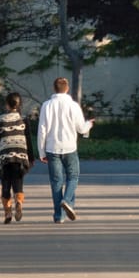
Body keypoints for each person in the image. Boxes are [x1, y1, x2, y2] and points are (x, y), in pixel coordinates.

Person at [37, 77, 94, 222]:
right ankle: (67, 201)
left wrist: (41, 151)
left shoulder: (46, 105)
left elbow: (42, 130)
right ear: (67, 88)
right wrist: (89, 124)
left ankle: (59, 216)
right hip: (69, 147)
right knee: (73, 177)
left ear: (54, 88)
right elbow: (81, 128)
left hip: (51, 147)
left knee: (56, 182)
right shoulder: (73, 106)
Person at [0, 93, 35, 223]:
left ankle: (7, 213)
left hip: (5, 157)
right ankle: (19, 201)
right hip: (21, 156)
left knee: (5, 184)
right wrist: (31, 158)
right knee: (18, 181)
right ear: (20, 105)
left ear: (7, 105)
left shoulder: (0, 120)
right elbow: (28, 140)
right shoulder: (24, 119)